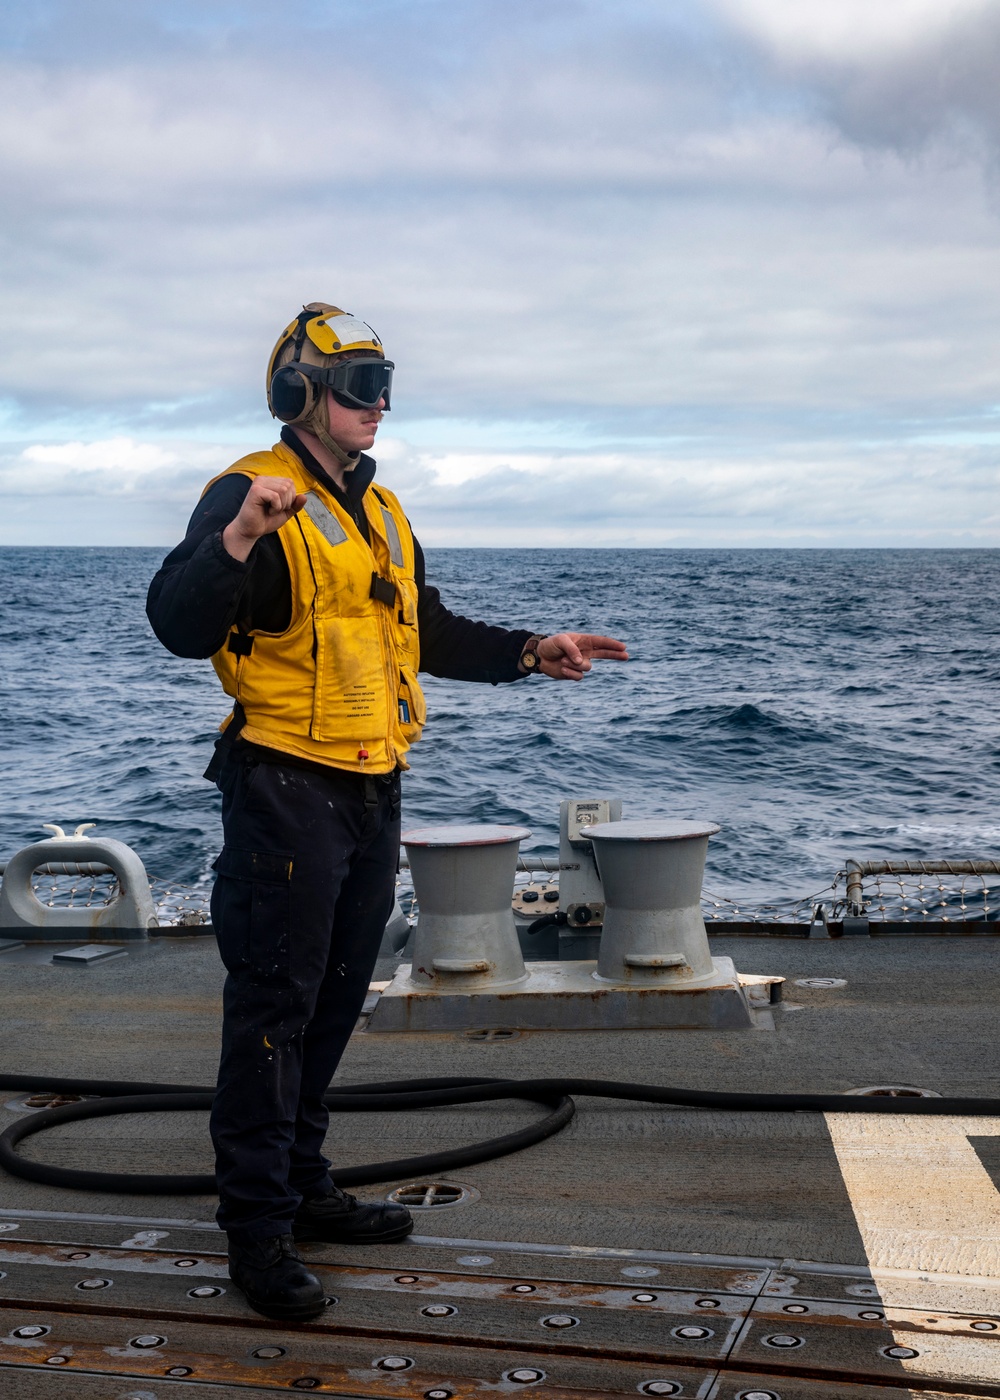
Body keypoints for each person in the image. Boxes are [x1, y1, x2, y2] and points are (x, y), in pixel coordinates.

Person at [146, 302, 628, 1321]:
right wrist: (237, 536)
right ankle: (258, 1228)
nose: (380, 403)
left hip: (369, 784)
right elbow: (177, 624)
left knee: (330, 998)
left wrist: (528, 650)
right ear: (299, 394)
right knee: (273, 1008)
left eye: (384, 380)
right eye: (360, 384)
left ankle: (304, 1183)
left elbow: (424, 626)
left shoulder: (380, 509)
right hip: (284, 787)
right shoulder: (251, 493)